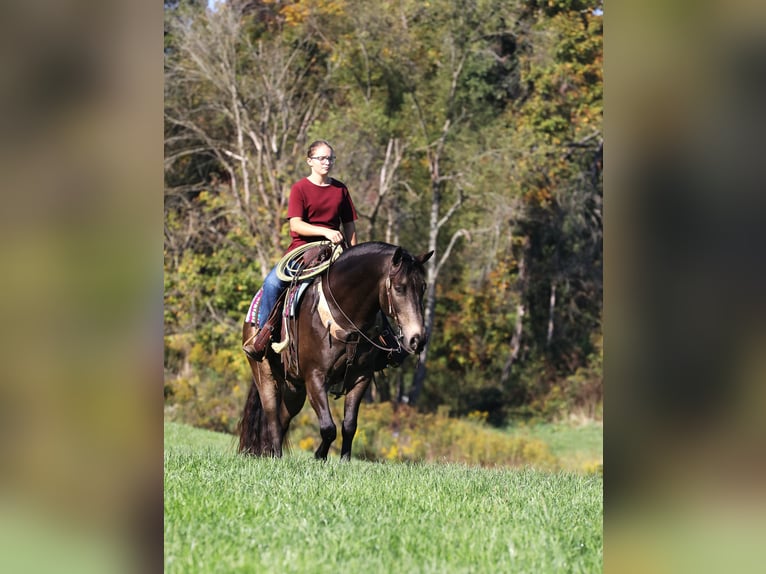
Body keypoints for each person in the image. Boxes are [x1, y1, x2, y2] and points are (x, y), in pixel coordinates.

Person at [243, 140, 358, 360]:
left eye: (330, 158)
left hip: (334, 251)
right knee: (272, 283)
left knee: (367, 283)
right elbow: (295, 224)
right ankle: (263, 336)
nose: (327, 162)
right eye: (322, 158)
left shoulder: (340, 189)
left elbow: (350, 225)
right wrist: (325, 232)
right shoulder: (300, 188)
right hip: (302, 250)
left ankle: (385, 341)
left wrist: (354, 256)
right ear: (310, 161)